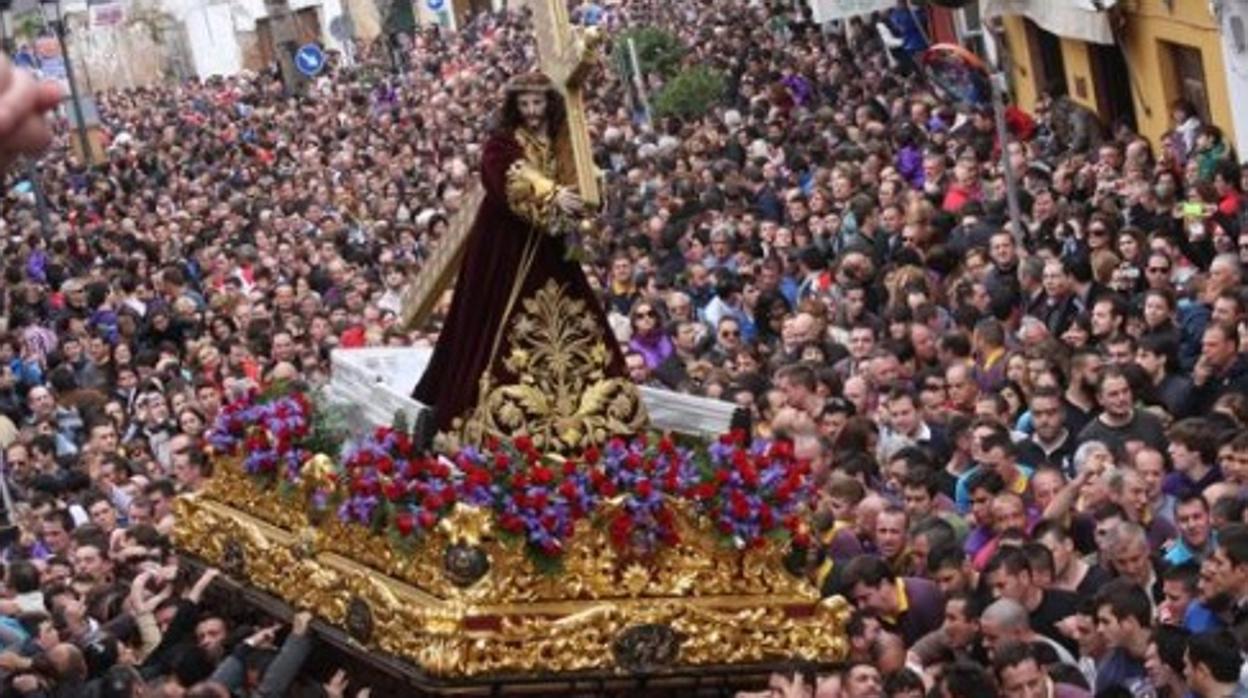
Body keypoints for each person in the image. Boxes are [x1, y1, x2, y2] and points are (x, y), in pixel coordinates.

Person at [411, 71, 635, 442]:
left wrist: (591, 188)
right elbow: (504, 171)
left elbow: (583, 172)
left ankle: (589, 415)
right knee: (495, 325)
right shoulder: (502, 142)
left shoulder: (563, 139)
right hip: (506, 245)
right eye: (525, 103)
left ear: (549, 103)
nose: (532, 111)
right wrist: (550, 193)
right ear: (514, 106)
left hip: (550, 246)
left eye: (538, 102)